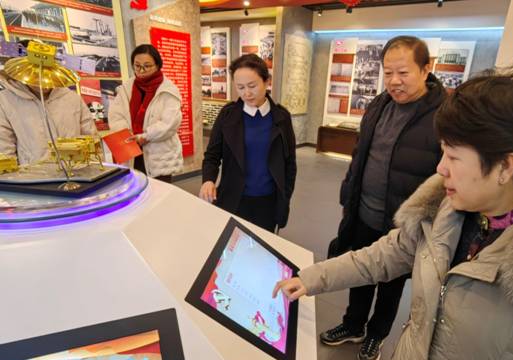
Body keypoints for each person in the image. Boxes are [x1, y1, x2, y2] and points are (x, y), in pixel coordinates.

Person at [275, 65, 513, 360]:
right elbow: (382, 255)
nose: (440, 168)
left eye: (454, 157)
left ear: (504, 167)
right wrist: (311, 277)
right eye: (442, 152)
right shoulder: (445, 212)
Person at [321, 36, 446, 360]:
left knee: (391, 282)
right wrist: (348, 195)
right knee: (360, 270)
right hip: (365, 211)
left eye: (403, 73)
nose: (394, 81)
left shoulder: (443, 116)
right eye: (387, 72)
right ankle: (353, 324)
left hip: (404, 223)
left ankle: (376, 334)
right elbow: (360, 155)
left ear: (426, 69)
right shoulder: (379, 105)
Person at [200, 54, 297, 232]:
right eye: (240, 87)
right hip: (233, 198)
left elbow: (290, 163)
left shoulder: (281, 117)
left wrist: (285, 196)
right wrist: (208, 180)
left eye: (252, 86)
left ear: (267, 82)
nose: (246, 93)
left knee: (262, 243)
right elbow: (212, 155)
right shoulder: (228, 115)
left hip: (268, 201)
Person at [0, 50, 96, 165]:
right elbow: (4, 149)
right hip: (33, 174)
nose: (43, 80)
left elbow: (91, 139)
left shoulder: (72, 98)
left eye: (48, 72)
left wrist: (95, 170)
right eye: (35, 74)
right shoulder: (5, 101)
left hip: (77, 171)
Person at [108, 44, 183, 182]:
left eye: (147, 66)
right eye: (137, 66)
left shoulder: (168, 90)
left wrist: (146, 136)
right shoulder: (126, 88)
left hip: (158, 155)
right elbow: (115, 115)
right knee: (134, 189)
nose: (141, 70)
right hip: (131, 151)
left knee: (159, 191)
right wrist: (127, 134)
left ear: (157, 65)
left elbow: (169, 124)